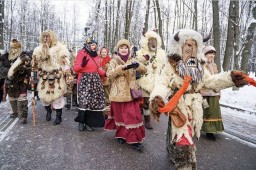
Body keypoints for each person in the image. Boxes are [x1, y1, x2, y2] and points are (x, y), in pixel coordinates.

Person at [149, 29, 249, 169]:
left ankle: (174, 150)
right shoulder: (171, 66)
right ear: (180, 48)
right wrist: (157, 97)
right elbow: (162, 84)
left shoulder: (200, 67)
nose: (191, 50)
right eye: (188, 46)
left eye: (194, 46)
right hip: (179, 106)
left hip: (195, 108)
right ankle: (185, 165)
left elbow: (212, 82)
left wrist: (231, 78)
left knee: (187, 137)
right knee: (183, 141)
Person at [104, 39, 147, 151]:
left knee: (133, 117)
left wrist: (138, 66)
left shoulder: (133, 59)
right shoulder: (114, 61)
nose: (123, 50)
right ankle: (121, 135)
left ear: (128, 49)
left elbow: (144, 70)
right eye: (121, 48)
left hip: (131, 94)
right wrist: (121, 69)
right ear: (118, 50)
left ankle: (134, 139)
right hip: (118, 94)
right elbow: (109, 74)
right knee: (120, 117)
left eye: (125, 48)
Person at [32, 30, 71, 125]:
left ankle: (58, 117)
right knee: (44, 98)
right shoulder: (39, 49)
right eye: (44, 37)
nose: (45, 39)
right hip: (44, 77)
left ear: (52, 37)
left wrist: (67, 71)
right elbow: (36, 63)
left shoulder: (59, 48)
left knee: (57, 97)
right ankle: (48, 111)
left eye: (47, 37)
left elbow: (64, 61)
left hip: (57, 76)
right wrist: (34, 64)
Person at [73, 38, 106, 131]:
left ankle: (88, 123)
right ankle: (81, 122)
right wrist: (82, 66)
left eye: (95, 45)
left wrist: (104, 74)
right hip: (84, 80)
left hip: (94, 81)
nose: (94, 46)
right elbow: (75, 68)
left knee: (92, 102)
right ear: (87, 45)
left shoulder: (96, 55)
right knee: (84, 102)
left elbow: (97, 68)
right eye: (92, 45)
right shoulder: (81, 53)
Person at [136, 31, 167, 130]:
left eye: (154, 41)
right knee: (145, 101)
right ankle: (147, 120)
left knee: (154, 101)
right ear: (146, 42)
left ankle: (153, 114)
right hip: (145, 80)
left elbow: (164, 66)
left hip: (156, 80)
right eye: (150, 41)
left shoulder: (161, 54)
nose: (152, 43)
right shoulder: (142, 52)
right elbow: (137, 62)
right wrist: (144, 61)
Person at [4, 39, 31, 124]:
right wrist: (8, 71)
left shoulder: (24, 57)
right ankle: (15, 112)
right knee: (12, 97)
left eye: (16, 48)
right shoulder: (5, 58)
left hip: (21, 81)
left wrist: (23, 69)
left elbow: (30, 69)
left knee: (22, 98)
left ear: (19, 48)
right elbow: (1, 69)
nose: (14, 50)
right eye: (12, 48)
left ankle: (23, 116)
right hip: (10, 81)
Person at [200, 45, 224, 141]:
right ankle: (206, 129)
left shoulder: (214, 66)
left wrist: (219, 92)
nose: (212, 55)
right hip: (205, 94)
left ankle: (211, 130)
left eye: (213, 53)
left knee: (214, 112)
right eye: (209, 53)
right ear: (205, 54)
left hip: (214, 93)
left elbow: (217, 79)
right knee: (206, 111)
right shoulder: (202, 65)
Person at [99, 47, 111, 111]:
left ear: (107, 53)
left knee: (107, 94)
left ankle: (107, 112)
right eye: (102, 52)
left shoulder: (110, 60)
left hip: (107, 80)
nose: (104, 53)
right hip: (99, 80)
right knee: (100, 95)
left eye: (105, 52)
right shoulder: (98, 60)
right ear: (100, 52)